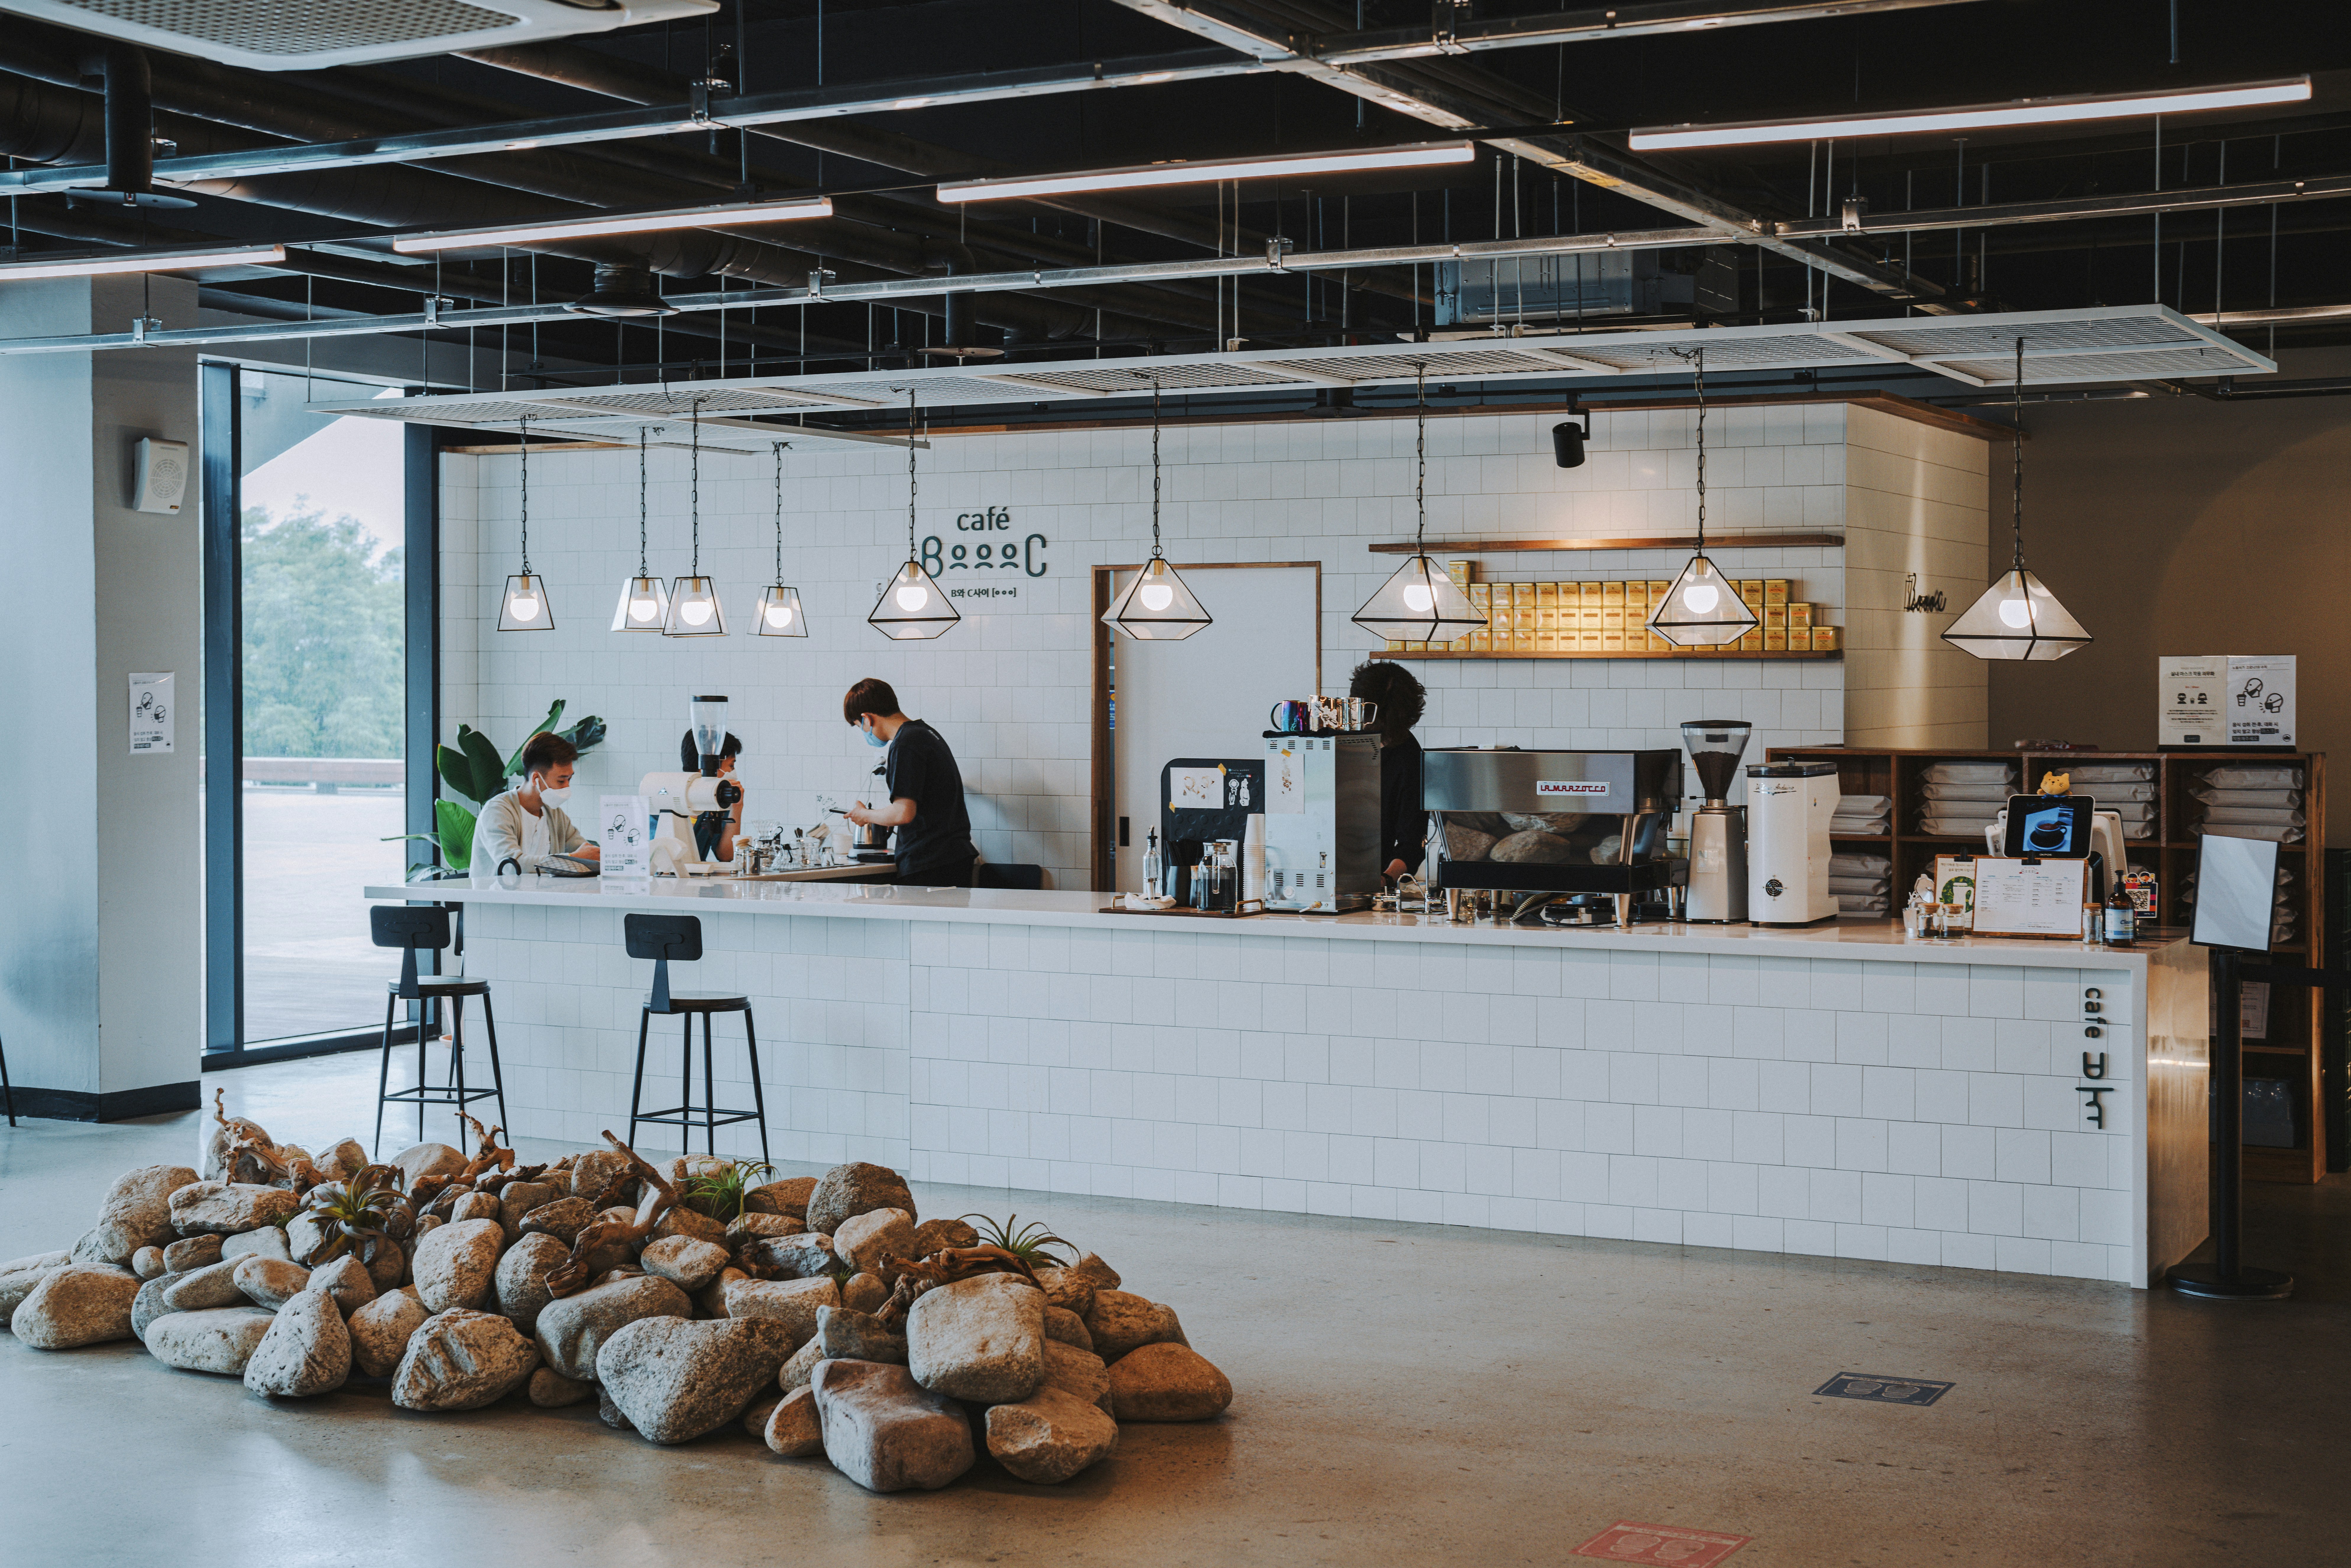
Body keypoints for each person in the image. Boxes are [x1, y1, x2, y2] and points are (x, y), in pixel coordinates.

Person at [841, 677, 978, 887]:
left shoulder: (906, 744)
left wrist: (865, 815)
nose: (865, 733)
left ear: (867, 719)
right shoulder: (925, 733)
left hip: (930, 863)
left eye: (860, 727)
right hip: (950, 858)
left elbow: (903, 813)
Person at [469, 730, 599, 877]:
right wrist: (573, 859)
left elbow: (584, 850)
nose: (567, 787)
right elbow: (512, 865)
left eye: (569, 780)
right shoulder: (497, 811)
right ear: (536, 779)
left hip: (540, 898)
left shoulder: (554, 814)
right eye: (561, 781)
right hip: (500, 898)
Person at [1348, 660, 1427, 884]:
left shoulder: (1408, 758)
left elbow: (1412, 842)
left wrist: (1386, 879)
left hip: (1369, 883)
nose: (1371, 728)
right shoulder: (1331, 741)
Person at [679, 726, 743, 864]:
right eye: (731, 765)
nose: (733, 772)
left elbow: (726, 855)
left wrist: (737, 807)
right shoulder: (669, 797)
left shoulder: (714, 802)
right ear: (710, 765)